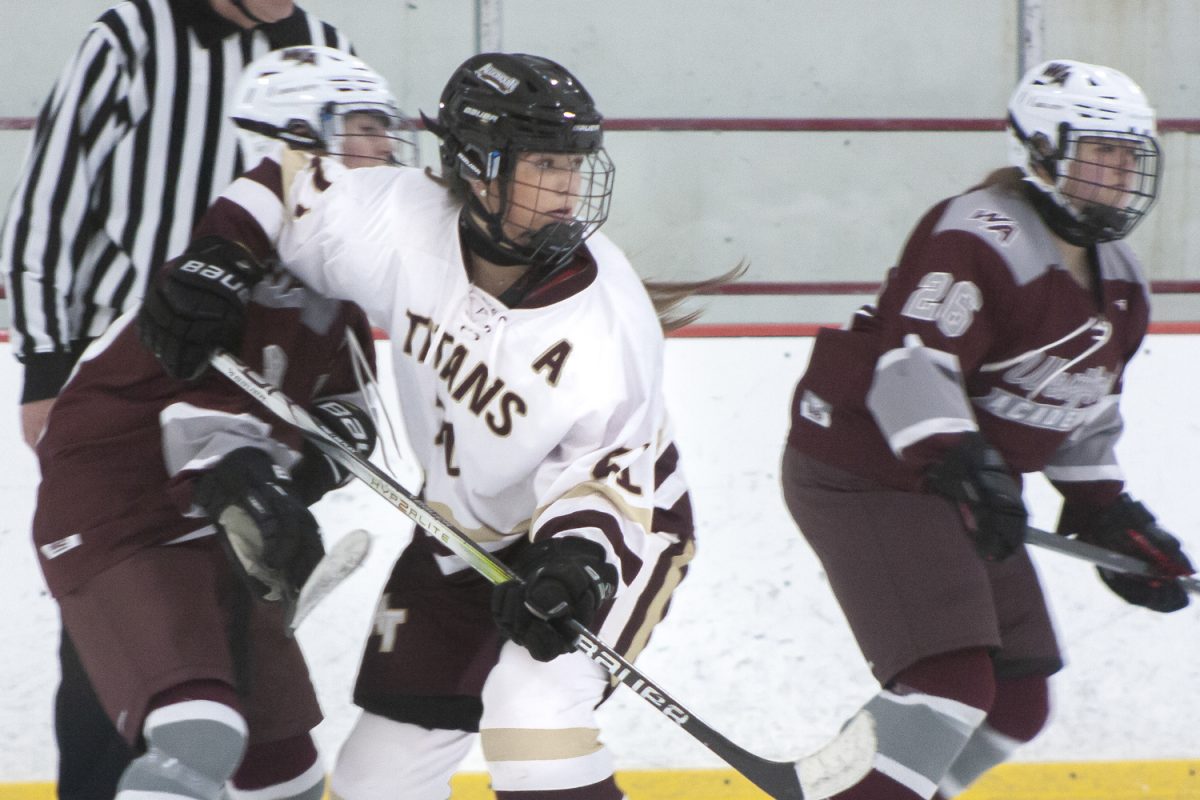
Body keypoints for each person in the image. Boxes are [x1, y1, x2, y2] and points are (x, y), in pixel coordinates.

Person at [138, 52, 704, 800]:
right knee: (377, 777)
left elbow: (608, 472)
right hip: (459, 538)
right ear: (478, 167)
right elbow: (288, 181)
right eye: (545, 163)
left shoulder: (609, 321)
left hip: (610, 537)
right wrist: (219, 256)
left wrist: (575, 568)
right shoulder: (400, 222)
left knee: (530, 720)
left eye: (576, 164)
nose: (570, 187)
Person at [779, 59, 1195, 800]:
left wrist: (1110, 513)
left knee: (1018, 696)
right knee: (950, 684)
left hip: (954, 483)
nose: (1120, 169)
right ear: (1039, 150)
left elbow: (1083, 409)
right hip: (866, 467)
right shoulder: (979, 231)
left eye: (1130, 153)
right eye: (1100, 150)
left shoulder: (1123, 279)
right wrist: (967, 462)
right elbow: (913, 364)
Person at [31, 45, 414, 800]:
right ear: (300, 141)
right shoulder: (218, 267)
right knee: (200, 736)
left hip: (211, 515)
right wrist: (249, 486)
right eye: (361, 126)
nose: (383, 147)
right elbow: (260, 195)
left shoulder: (328, 277)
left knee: (288, 772)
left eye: (384, 126)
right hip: (119, 515)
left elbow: (345, 413)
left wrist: (293, 486)